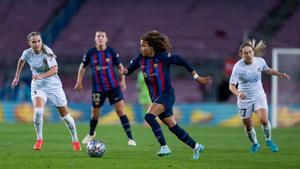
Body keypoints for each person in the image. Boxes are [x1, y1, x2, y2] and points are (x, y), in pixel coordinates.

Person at [122, 30, 213, 160]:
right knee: (173, 126)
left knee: (149, 117)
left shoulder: (163, 57)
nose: (140, 48)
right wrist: (122, 70)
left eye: (143, 46)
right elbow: (128, 71)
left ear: (151, 47)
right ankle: (196, 146)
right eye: (140, 45)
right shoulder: (140, 59)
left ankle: (164, 146)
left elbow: (181, 61)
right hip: (156, 97)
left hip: (166, 95)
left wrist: (196, 77)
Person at [11, 31, 81, 151]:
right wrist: (17, 76)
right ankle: (39, 139)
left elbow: (55, 69)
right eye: (34, 42)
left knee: (65, 115)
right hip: (38, 85)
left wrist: (41, 76)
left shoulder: (47, 52)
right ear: (29, 43)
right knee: (38, 112)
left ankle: (75, 140)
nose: (37, 44)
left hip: (53, 85)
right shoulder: (27, 53)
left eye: (39, 41)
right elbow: (21, 61)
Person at [74, 31, 136, 146]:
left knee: (120, 111)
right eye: (98, 36)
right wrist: (79, 82)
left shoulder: (111, 52)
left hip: (113, 87)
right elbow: (82, 66)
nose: (100, 38)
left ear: (106, 39)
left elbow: (120, 67)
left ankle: (130, 138)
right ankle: (91, 133)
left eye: (102, 36)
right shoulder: (90, 53)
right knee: (95, 115)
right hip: (98, 89)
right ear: (95, 38)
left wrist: (123, 80)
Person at [229, 39, 290, 153]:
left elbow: (267, 70)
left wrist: (280, 74)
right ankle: (255, 144)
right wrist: (238, 93)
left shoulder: (260, 61)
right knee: (248, 126)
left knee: (264, 120)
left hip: (259, 95)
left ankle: (269, 140)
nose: (249, 54)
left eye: (250, 52)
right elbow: (231, 86)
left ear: (253, 52)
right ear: (241, 54)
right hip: (244, 99)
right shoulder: (238, 67)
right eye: (245, 53)